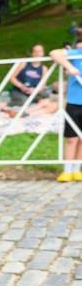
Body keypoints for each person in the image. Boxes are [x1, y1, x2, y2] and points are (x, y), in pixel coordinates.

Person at [50, 39, 82, 182]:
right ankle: (67, 170)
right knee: (71, 138)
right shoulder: (76, 54)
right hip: (74, 102)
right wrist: (69, 67)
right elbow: (54, 53)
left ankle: (77, 170)